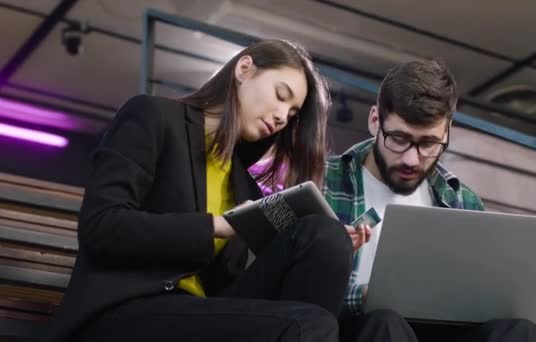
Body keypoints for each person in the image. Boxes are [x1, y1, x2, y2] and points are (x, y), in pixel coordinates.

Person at [42, 40, 354, 342]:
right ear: (244, 68)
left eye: (293, 113)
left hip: (200, 314)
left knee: (324, 237)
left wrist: (319, 246)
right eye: (280, 95)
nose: (282, 116)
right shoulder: (154, 116)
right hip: (125, 310)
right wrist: (214, 226)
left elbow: (229, 283)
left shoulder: (243, 184)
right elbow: (101, 226)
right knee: (309, 324)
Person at [324, 59, 536, 342]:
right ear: (375, 120)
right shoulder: (324, 181)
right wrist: (364, 296)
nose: (410, 159)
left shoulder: (462, 200)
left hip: (441, 331)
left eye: (428, 144)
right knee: (385, 322)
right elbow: (299, 292)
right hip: (362, 328)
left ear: (447, 132)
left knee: (521, 332)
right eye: (399, 138)